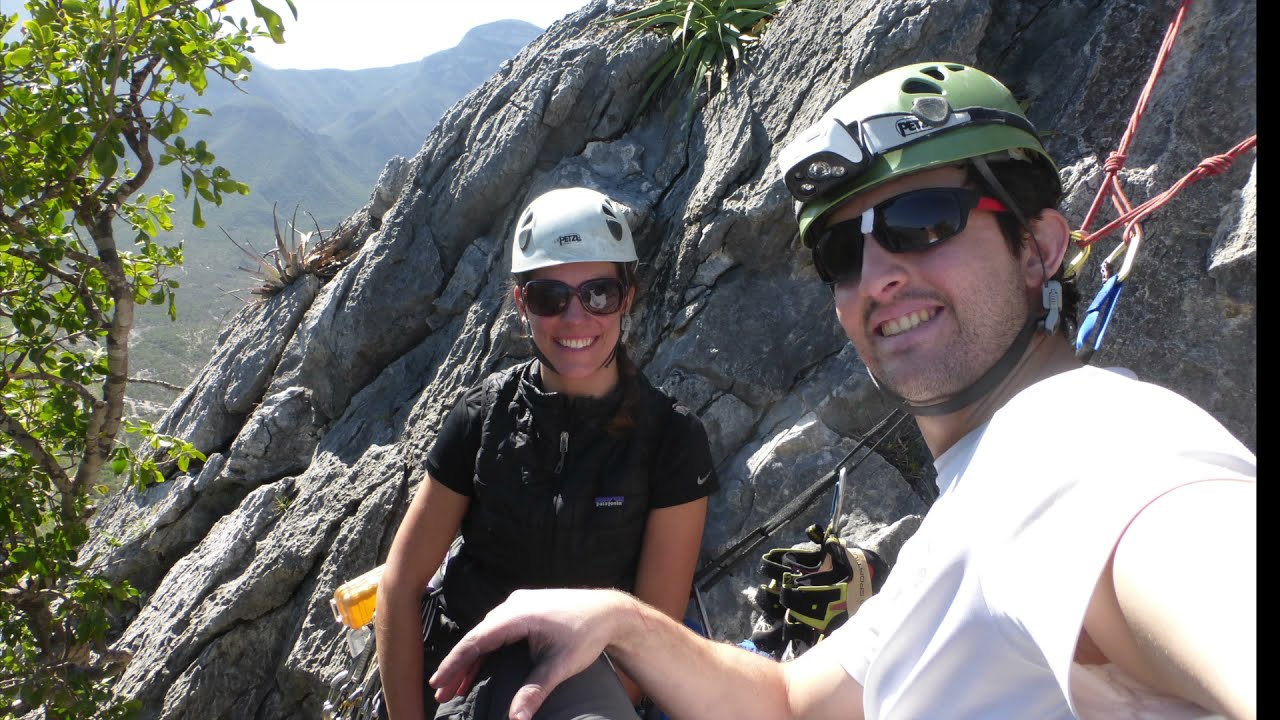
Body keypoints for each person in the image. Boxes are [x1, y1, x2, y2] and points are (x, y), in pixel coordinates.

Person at [428, 62, 1257, 720]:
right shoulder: (971, 504)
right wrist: (620, 621)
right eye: (841, 253)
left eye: (924, 220)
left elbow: (1190, 547)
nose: (881, 276)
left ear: (1037, 246)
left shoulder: (1086, 451)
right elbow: (789, 701)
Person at [375, 186, 720, 719]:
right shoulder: (481, 418)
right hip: (462, 666)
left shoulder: (672, 441)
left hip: (586, 675)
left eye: (599, 293)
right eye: (550, 297)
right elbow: (400, 584)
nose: (576, 318)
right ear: (521, 304)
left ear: (627, 297)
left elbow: (653, 632)